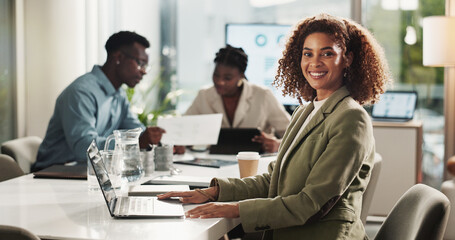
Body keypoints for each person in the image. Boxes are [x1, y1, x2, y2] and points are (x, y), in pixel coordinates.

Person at [158, 13, 390, 239]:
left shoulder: (351, 118)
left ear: (347, 58)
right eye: (307, 53)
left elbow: (312, 203)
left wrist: (234, 209)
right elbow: (273, 181)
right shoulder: (305, 111)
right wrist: (214, 192)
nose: (315, 62)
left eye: (327, 53)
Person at [32, 31, 165, 172]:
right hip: (55, 172)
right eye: (140, 63)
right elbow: (84, 147)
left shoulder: (118, 94)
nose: (143, 71)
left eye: (145, 66)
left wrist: (161, 142)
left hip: (89, 171)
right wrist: (134, 143)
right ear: (118, 57)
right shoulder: (81, 92)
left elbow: (137, 131)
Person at [185, 45, 291, 153]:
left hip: (254, 161)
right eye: (216, 75)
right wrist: (179, 143)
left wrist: (278, 145)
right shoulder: (204, 95)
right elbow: (183, 128)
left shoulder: (263, 95)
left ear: (241, 75)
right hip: (213, 161)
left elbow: (294, 134)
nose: (220, 82)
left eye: (228, 78)